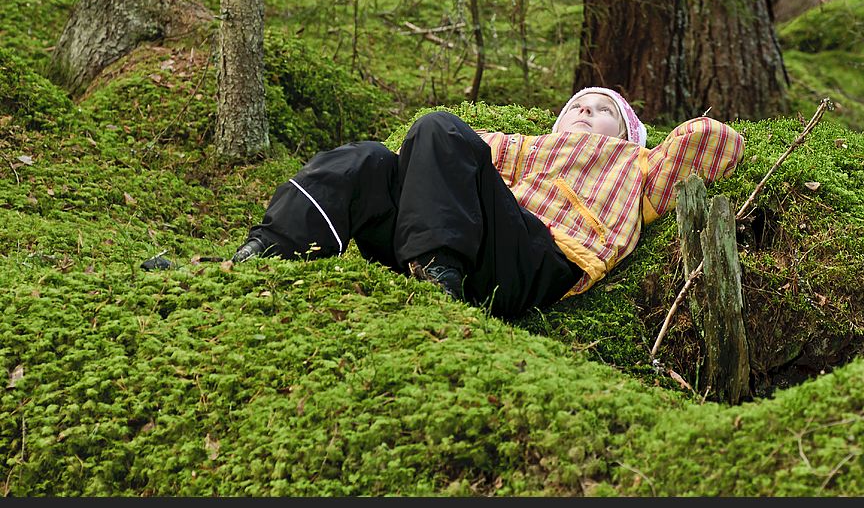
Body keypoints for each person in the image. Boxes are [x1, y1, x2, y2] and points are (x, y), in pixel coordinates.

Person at [232, 87, 744, 317]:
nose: (585, 112)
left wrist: (662, 142)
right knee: (368, 159)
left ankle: (438, 275)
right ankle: (270, 248)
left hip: (539, 256)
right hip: (469, 242)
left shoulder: (638, 165)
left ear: (629, 130)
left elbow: (718, 145)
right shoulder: (525, 148)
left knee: (437, 128)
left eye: (602, 109)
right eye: (576, 107)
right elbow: (439, 152)